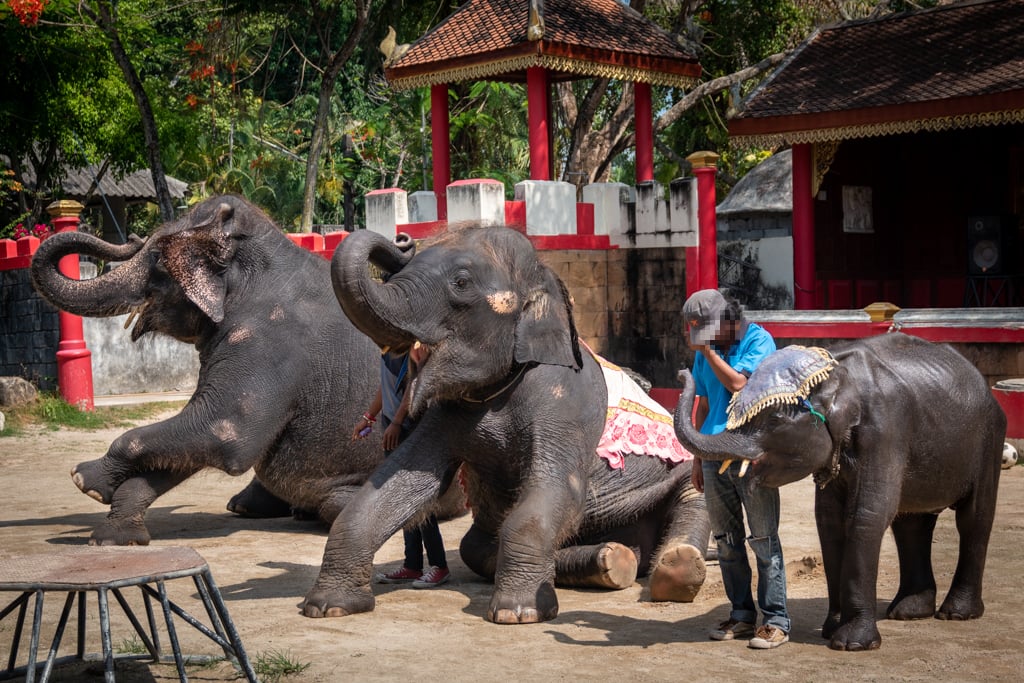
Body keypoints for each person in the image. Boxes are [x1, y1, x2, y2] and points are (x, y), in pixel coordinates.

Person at [683, 288, 790, 649]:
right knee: (726, 541)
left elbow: (739, 385)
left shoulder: (759, 340)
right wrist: (698, 457)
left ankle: (776, 620)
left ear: (729, 319)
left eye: (708, 328)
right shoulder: (706, 349)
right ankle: (742, 615)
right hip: (714, 454)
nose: (705, 336)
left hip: (751, 453)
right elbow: (705, 402)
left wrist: (707, 351)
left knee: (763, 538)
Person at [352, 344, 449, 588]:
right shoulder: (387, 347)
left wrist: (397, 422)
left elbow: (415, 384)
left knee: (418, 497)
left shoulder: (415, 346)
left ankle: (439, 565)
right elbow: (385, 387)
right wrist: (369, 417)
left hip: (411, 425)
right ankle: (413, 565)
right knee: (403, 497)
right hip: (392, 425)